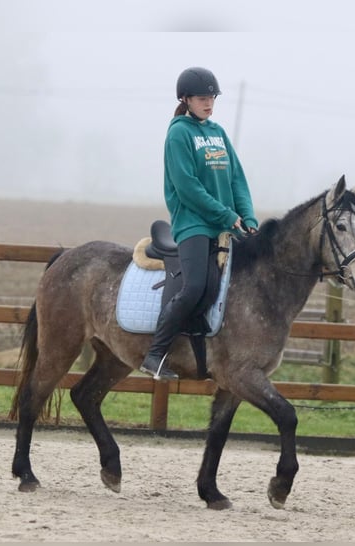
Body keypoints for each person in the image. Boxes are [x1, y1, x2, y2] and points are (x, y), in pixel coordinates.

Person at [139, 66, 259, 381]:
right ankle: (155, 355)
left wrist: (247, 216)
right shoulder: (179, 133)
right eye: (203, 98)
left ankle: (192, 346)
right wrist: (227, 216)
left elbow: (237, 180)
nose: (209, 103)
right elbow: (188, 187)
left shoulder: (218, 133)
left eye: (212, 98)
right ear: (186, 99)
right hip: (192, 224)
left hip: (221, 225)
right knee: (194, 287)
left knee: (212, 289)